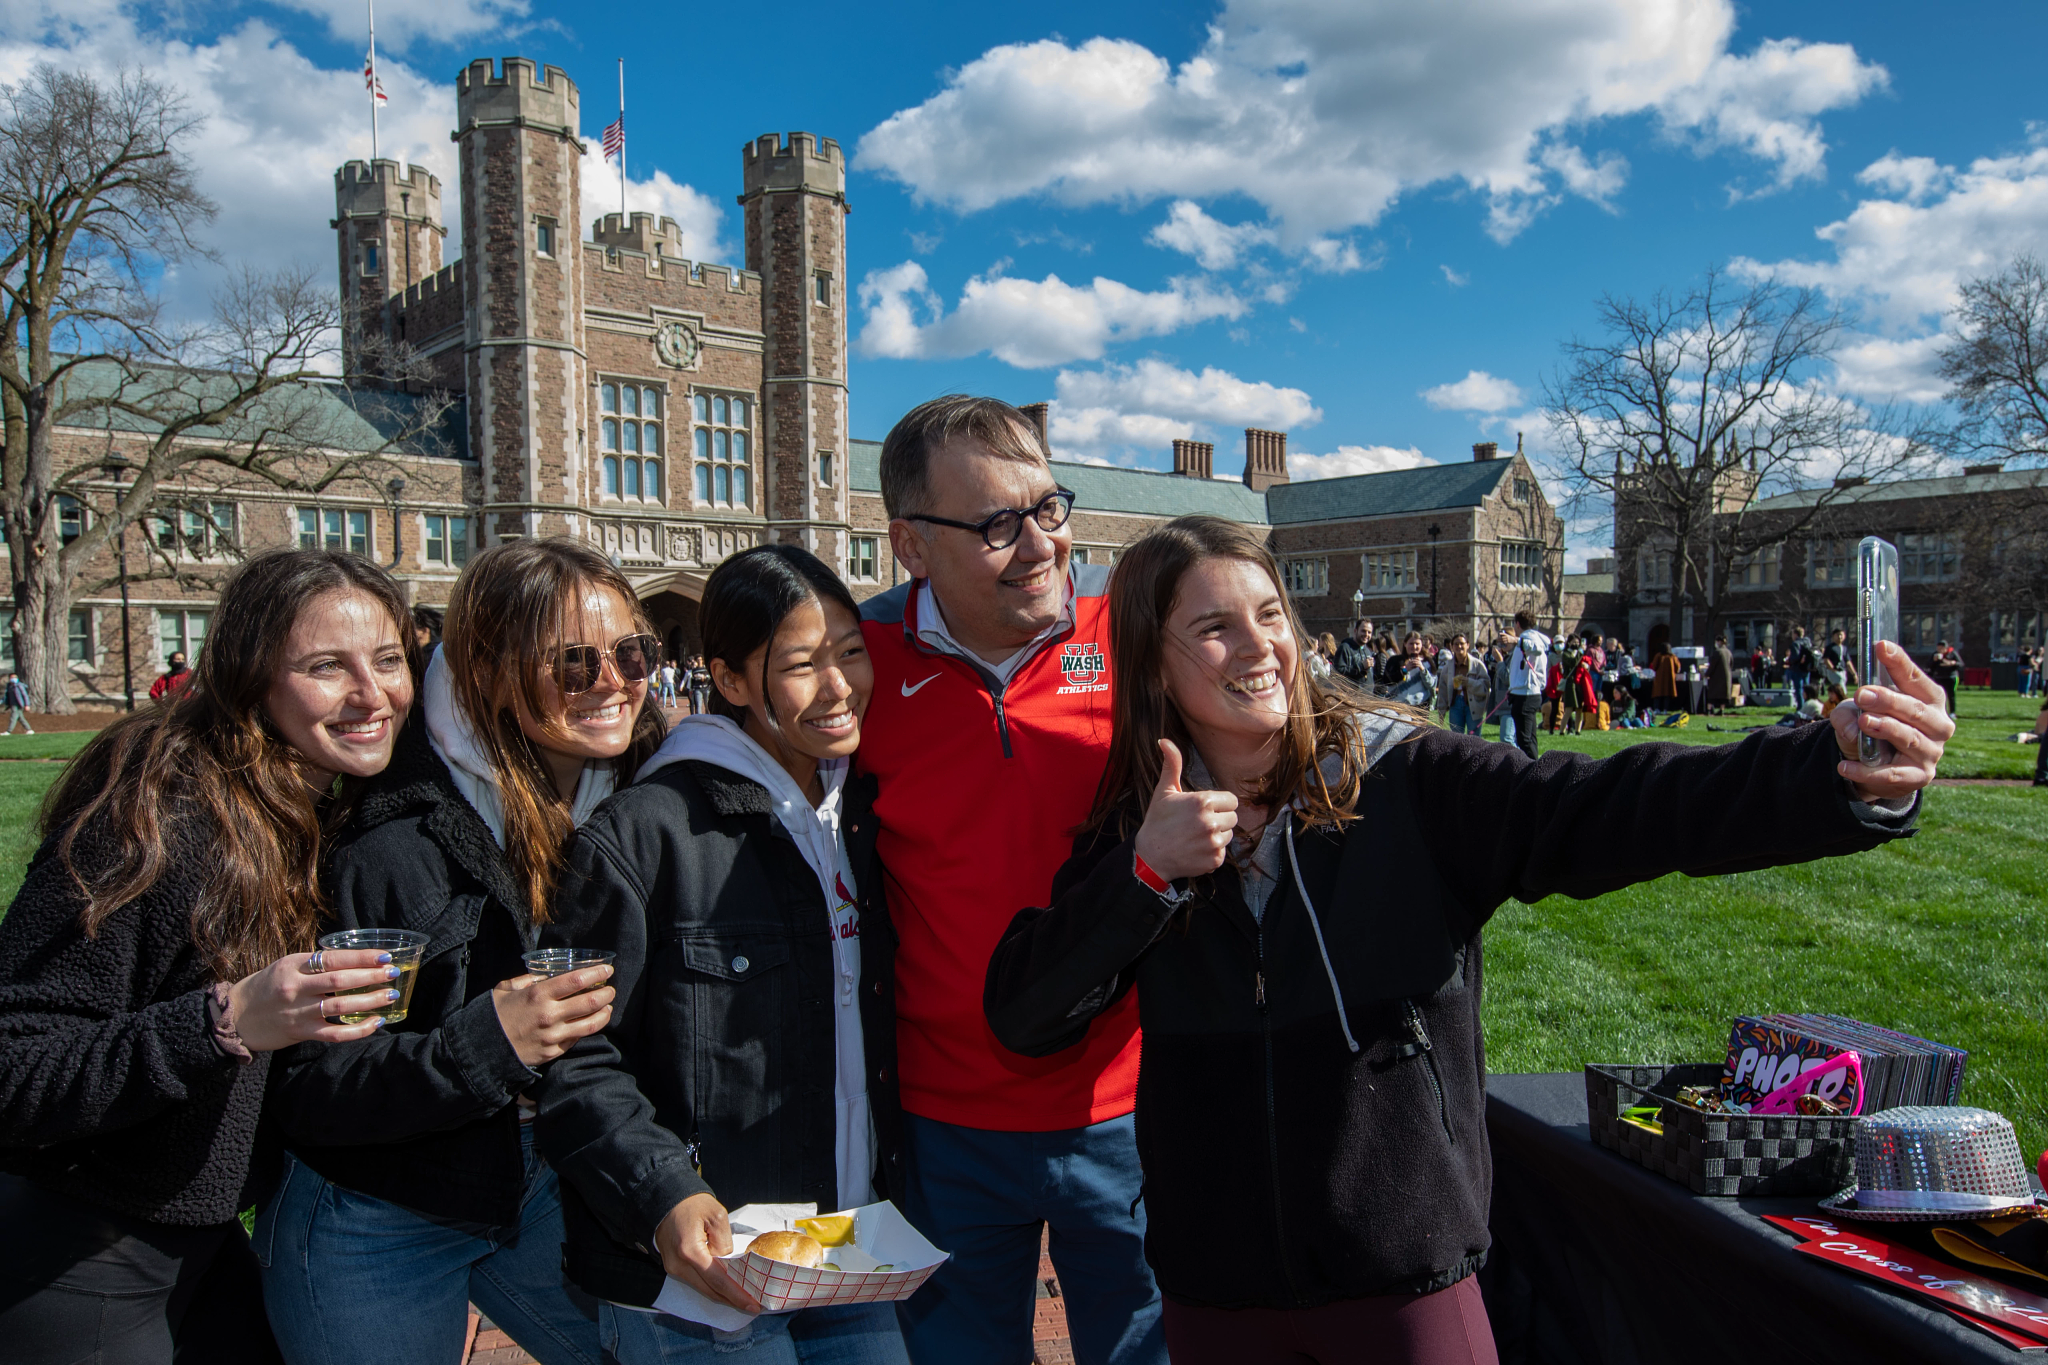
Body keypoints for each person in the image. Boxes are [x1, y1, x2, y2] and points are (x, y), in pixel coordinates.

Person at [982, 514, 1950, 1365]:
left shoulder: (1411, 781)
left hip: (1399, 1265)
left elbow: (1615, 807)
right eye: (1213, 627)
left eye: (1271, 615)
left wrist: (1828, 772)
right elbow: (1026, 1015)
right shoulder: (1138, 828)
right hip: (1213, 1278)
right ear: (1153, 660)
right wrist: (1145, 877)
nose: (1259, 647)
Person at [0, 549, 418, 1363]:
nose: (372, 694)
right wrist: (224, 1020)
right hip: (76, 1253)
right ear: (251, 678)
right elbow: (14, 1068)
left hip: (203, 1240)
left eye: (390, 659)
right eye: (326, 667)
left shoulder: (307, 806)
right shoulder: (154, 817)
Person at [261, 539, 658, 1365]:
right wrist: (490, 1041)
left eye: (633, 652)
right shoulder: (390, 839)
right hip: (376, 1209)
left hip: (536, 1178)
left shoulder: (631, 791)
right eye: (576, 662)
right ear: (489, 664)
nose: (615, 681)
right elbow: (314, 1088)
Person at [536, 545, 908, 1363]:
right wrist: (662, 1194)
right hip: (705, 1277)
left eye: (851, 650)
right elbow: (573, 1058)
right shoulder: (646, 833)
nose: (841, 684)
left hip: (847, 1245)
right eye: (802, 663)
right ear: (730, 679)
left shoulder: (859, 812)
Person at [855, 397, 1164, 1365]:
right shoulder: (852, 668)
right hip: (942, 1124)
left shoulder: (1137, 645)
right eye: (996, 524)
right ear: (910, 545)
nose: (1039, 546)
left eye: (1048, 508)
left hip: (1132, 1106)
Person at [1506, 610, 1548, 760]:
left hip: (1526, 695)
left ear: (1517, 624)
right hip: (1523, 693)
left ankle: (1531, 770)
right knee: (1529, 738)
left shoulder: (1528, 638)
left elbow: (1536, 649)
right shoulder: (1531, 638)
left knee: (1524, 740)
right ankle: (1533, 767)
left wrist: (1515, 640)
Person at [1435, 634, 1489, 737]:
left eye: (1462, 644)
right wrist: (1441, 710)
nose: (1459, 646)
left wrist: (1469, 682)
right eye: (1456, 644)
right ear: (1452, 646)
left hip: (1473, 704)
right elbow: (1442, 690)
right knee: (1456, 737)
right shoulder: (1447, 667)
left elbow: (1485, 687)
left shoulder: (1477, 665)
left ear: (1468, 645)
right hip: (1455, 704)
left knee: (1474, 738)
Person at [1333, 619, 1373, 684]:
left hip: (1368, 693)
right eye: (1363, 631)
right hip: (1351, 693)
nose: (1366, 634)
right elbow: (1338, 673)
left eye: (1369, 632)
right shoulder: (1345, 648)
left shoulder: (1367, 650)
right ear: (1355, 631)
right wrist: (1361, 666)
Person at [1929, 640, 1962, 716]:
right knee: (1939, 695)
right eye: (1938, 648)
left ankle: (1952, 712)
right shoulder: (1935, 655)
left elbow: (1960, 664)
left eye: (1941, 648)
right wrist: (1934, 661)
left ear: (1946, 648)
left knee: (1951, 695)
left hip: (1951, 677)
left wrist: (1951, 663)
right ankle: (1940, 711)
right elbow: (1930, 666)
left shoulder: (1952, 654)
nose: (1940, 650)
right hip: (1939, 677)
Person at [1783, 626, 1813, 710]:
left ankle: (1800, 707)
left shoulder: (1795, 643)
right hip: (1807, 669)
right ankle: (1808, 706)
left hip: (1797, 670)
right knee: (1806, 688)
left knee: (1799, 689)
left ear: (1795, 634)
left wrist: (1790, 660)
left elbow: (1795, 657)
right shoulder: (1807, 641)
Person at [1707, 635, 1735, 715]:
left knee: (1712, 694)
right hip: (1727, 677)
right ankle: (1721, 710)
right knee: (1724, 695)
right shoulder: (1729, 652)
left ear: (1719, 642)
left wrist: (1707, 674)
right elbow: (1731, 664)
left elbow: (1712, 665)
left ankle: (1709, 710)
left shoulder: (1718, 652)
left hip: (1717, 677)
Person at [3, 669, 31, 734]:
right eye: (12, 677)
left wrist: (27, 705)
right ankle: (29, 729)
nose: (14, 679)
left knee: (13, 717)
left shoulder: (19, 686)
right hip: (12, 704)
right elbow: (7, 696)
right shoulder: (9, 686)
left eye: (15, 677)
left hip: (18, 704)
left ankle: (8, 731)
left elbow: (25, 695)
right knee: (20, 718)